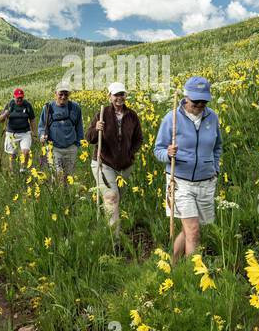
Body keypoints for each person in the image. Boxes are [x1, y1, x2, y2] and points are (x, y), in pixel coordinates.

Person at [153, 76, 222, 261]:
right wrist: (168, 154)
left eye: (204, 101)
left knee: (191, 228)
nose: (200, 105)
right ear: (186, 98)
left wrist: (215, 167)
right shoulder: (172, 118)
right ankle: (193, 277)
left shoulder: (212, 117)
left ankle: (172, 266)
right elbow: (157, 150)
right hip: (180, 182)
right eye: (195, 101)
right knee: (193, 231)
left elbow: (217, 146)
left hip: (206, 181)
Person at [86, 81, 142, 228]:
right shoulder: (102, 114)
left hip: (125, 166)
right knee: (112, 197)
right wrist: (96, 129)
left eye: (121, 94)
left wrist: (130, 153)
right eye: (116, 94)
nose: (119, 97)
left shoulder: (132, 116)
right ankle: (114, 241)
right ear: (109, 96)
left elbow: (138, 139)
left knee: (116, 199)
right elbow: (89, 138)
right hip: (104, 162)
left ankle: (108, 229)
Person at [39, 84, 82, 180]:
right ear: (55, 94)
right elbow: (42, 126)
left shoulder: (75, 107)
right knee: (58, 174)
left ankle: (67, 195)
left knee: (69, 176)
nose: (63, 97)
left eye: (66, 94)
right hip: (54, 148)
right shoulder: (47, 108)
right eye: (60, 94)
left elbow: (79, 126)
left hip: (71, 147)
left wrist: (78, 144)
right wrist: (42, 135)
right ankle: (58, 193)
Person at [0, 87, 35, 169]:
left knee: (25, 152)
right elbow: (0, 120)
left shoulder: (27, 105)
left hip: (25, 132)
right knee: (12, 155)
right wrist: (5, 114)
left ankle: (23, 169)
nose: (19, 100)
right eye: (18, 98)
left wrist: (34, 132)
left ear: (23, 97)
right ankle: (12, 173)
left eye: (21, 98)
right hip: (12, 133)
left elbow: (32, 119)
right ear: (14, 97)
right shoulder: (9, 105)